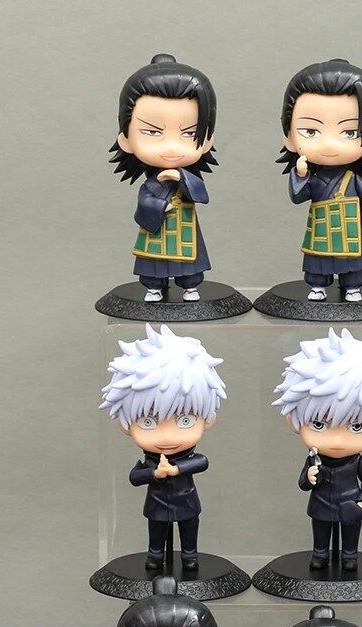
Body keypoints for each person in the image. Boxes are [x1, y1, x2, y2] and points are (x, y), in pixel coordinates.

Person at [272, 328, 362, 572]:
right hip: (321, 504)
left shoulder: (357, 461)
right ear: (294, 422)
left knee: (350, 536)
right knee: (321, 533)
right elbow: (303, 484)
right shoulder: (314, 458)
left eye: (356, 426)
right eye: (319, 425)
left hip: (351, 505)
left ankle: (349, 555)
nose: (338, 441)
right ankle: (320, 553)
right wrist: (309, 477)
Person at [101, 323, 226, 570]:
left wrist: (176, 470)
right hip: (157, 504)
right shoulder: (151, 460)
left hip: (187, 502)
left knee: (189, 529)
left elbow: (201, 462)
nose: (167, 436)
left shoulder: (188, 458)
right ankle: (155, 556)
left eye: (185, 420)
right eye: (148, 422)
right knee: (157, 531)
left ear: (208, 419)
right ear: (125, 425)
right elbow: (135, 477)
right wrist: (155, 473)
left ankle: (190, 556)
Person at [278, 59, 362, 302]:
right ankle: (318, 286)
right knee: (318, 260)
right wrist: (301, 175)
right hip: (322, 225)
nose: (330, 144)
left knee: (352, 262)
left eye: (350, 132)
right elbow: (299, 196)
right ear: (289, 137)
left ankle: (352, 287)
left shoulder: (353, 179)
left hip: (349, 226)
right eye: (311, 132)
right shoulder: (314, 177)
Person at [111, 54, 219, 302]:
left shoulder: (186, 179)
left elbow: (201, 195)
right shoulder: (151, 185)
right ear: (126, 139)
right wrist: (159, 205)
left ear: (206, 140)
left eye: (189, 133)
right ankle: (154, 287)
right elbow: (143, 206)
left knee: (190, 264)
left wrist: (181, 178)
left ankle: (190, 287)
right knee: (153, 265)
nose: (171, 146)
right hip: (158, 230)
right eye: (152, 132)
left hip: (185, 228)